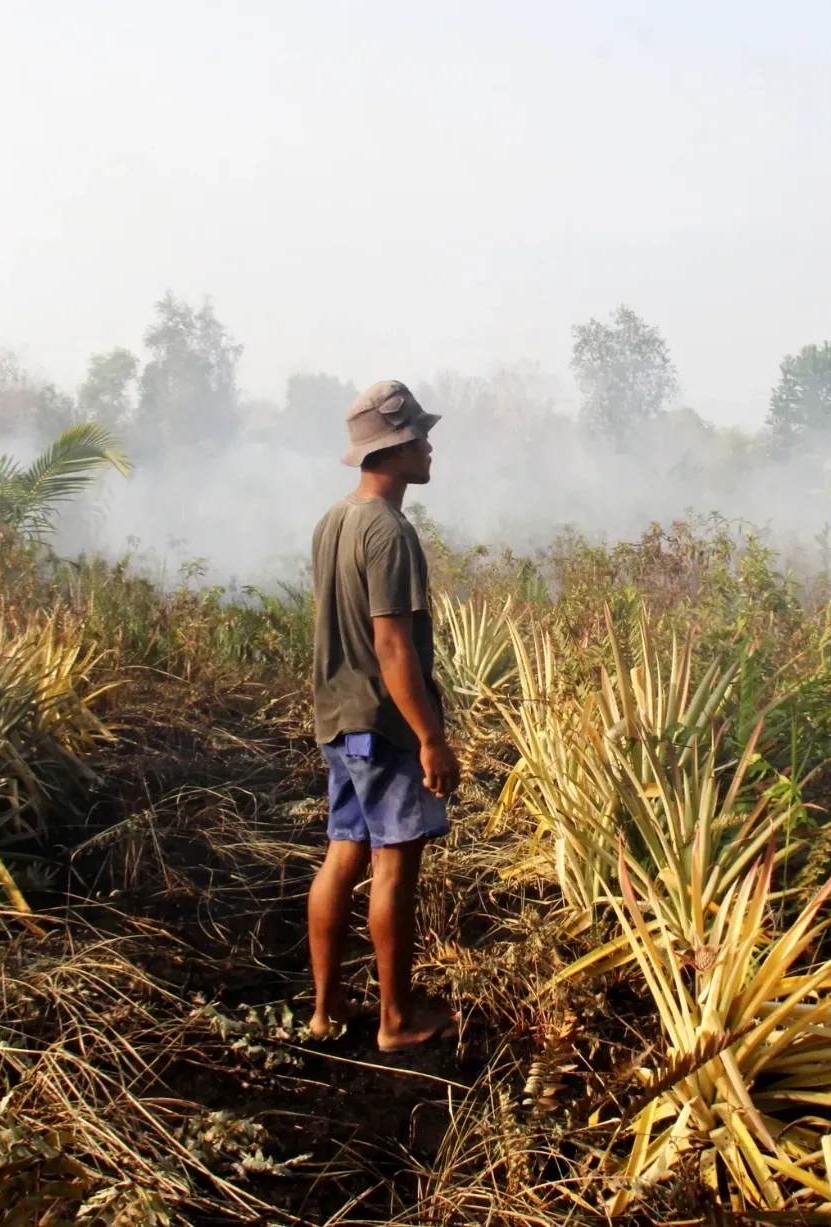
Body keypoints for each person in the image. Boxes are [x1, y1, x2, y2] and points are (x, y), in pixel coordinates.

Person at [305, 379, 459, 1051]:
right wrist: (430, 738)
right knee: (395, 864)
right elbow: (392, 643)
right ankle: (395, 1020)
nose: (429, 447)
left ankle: (325, 1008)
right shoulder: (389, 531)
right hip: (385, 721)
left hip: (339, 718)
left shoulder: (333, 520)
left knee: (344, 852)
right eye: (420, 438)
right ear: (395, 450)